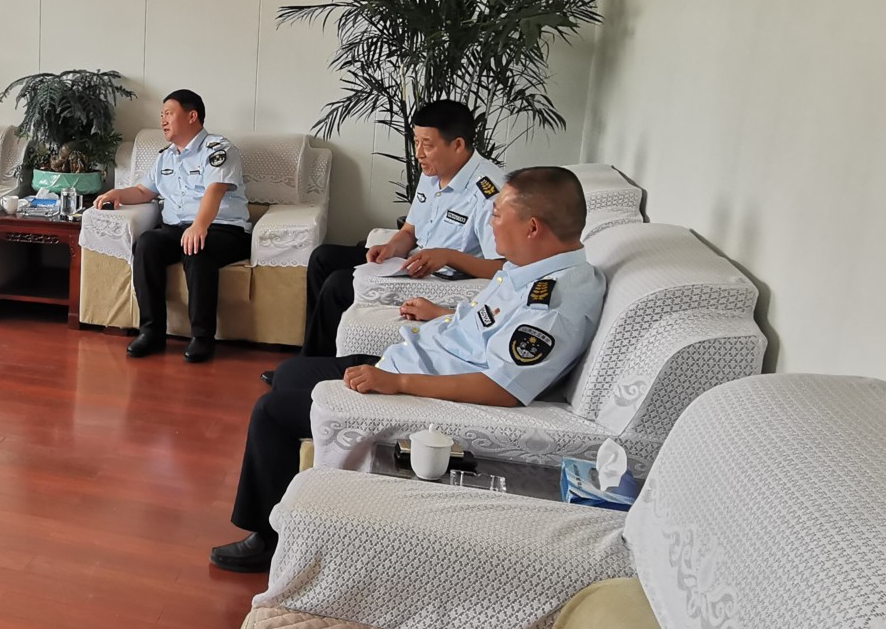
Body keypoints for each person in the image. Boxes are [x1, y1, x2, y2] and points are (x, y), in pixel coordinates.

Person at [209, 166, 604, 574]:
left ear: (533, 227)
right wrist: (442, 314)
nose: (491, 222)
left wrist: (397, 382)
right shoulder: (534, 268)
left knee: (271, 413)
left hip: (421, 386)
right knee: (291, 374)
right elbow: (491, 326)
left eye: (499, 215)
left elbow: (501, 388)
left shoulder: (553, 302)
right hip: (417, 360)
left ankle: (270, 539)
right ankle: (299, 495)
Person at [298, 99, 507, 362]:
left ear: (457, 145)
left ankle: (316, 365)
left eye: (427, 145)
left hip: (445, 279)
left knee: (339, 284)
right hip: (414, 263)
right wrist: (391, 248)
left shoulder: (490, 193)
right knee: (323, 258)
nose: (418, 153)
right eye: (416, 142)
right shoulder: (433, 171)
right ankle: (313, 356)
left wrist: (448, 257)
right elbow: (409, 231)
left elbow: (504, 268)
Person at [90, 89, 252, 364]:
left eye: (169, 113)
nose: (163, 120)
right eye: (161, 115)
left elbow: (215, 190)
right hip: (178, 228)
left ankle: (202, 337)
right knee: (147, 244)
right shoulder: (166, 157)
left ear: (192, 116)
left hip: (223, 228)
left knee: (197, 248)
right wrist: (117, 193)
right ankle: (151, 331)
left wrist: (199, 226)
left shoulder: (218, 149)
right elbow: (144, 191)